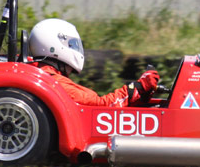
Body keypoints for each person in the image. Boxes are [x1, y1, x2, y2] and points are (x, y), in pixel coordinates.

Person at [28, 18, 159, 107]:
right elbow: (103, 107)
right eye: (72, 44)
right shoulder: (54, 82)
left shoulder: (39, 74)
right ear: (54, 44)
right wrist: (137, 88)